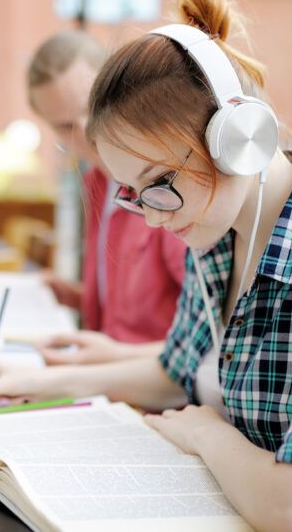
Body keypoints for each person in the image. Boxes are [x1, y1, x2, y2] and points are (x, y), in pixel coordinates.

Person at [0, 0, 292, 530]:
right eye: (136, 194)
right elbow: (174, 371)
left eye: (159, 182)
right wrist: (33, 381)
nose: (154, 217)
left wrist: (205, 432)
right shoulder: (218, 230)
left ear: (238, 137)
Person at [26, 31, 186, 364]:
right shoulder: (95, 183)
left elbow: (217, 340)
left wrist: (113, 355)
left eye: (92, 107)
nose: (86, 130)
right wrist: (79, 297)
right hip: (108, 388)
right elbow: (129, 313)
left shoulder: (169, 188)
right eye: (65, 124)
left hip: (163, 398)